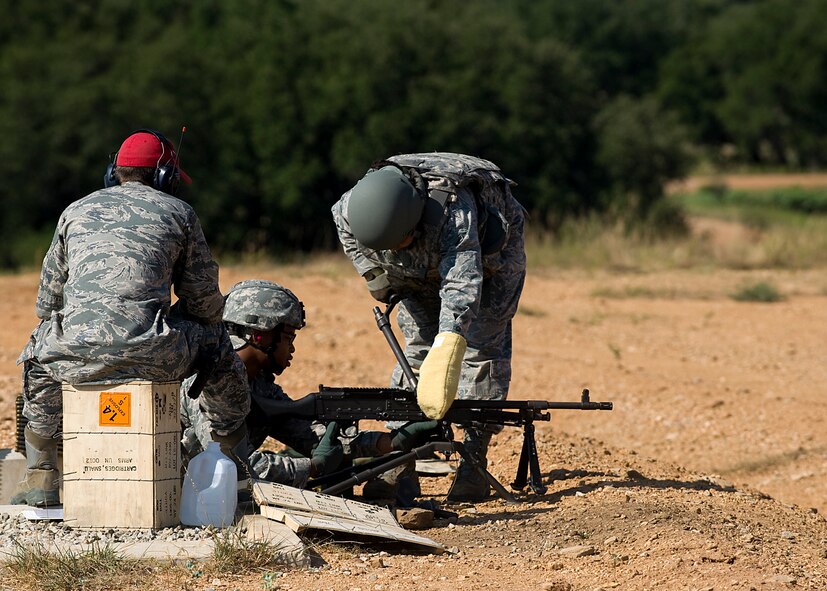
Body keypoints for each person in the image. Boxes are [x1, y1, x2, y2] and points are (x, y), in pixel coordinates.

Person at [13, 129, 250, 507]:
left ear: (114, 172)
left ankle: (41, 474)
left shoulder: (74, 211)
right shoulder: (180, 213)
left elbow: (47, 304)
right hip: (155, 355)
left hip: (74, 357)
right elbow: (205, 303)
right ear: (164, 178)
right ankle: (234, 468)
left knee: (38, 350)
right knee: (216, 340)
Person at [331, 153, 526, 501]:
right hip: (414, 267)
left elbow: (462, 284)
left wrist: (450, 342)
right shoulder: (351, 209)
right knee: (418, 349)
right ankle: (401, 458)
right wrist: (375, 275)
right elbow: (343, 226)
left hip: (491, 258)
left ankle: (474, 461)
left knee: (480, 346)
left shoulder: (452, 209)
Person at [180, 279, 438, 491]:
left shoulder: (259, 386)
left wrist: (392, 442)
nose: (292, 348)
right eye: (289, 337)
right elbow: (235, 467)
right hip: (181, 492)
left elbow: (312, 438)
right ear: (261, 335)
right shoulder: (208, 382)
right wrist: (312, 468)